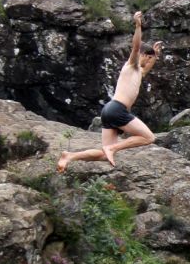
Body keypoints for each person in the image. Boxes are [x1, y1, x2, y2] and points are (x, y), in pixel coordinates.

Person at [57, 12, 163, 172]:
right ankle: (113, 149)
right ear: (141, 55)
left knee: (103, 154)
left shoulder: (139, 72)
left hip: (109, 112)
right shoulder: (131, 65)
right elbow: (136, 46)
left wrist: (155, 55)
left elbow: (147, 67)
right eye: (147, 58)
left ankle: (69, 156)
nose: (148, 62)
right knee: (149, 137)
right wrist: (138, 26)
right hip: (117, 110)